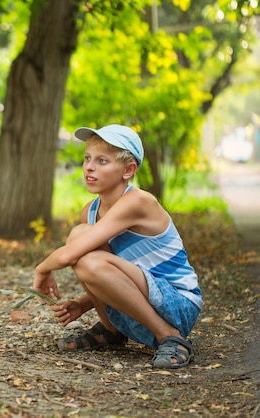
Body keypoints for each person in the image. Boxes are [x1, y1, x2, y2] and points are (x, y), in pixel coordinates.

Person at [33, 124, 203, 369]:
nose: (90, 167)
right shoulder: (90, 212)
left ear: (128, 170)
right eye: (88, 158)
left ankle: (170, 336)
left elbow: (70, 256)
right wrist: (82, 304)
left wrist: (42, 270)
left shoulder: (138, 201)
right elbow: (115, 276)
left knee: (82, 250)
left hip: (177, 306)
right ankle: (110, 330)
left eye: (102, 161)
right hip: (138, 308)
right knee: (80, 235)